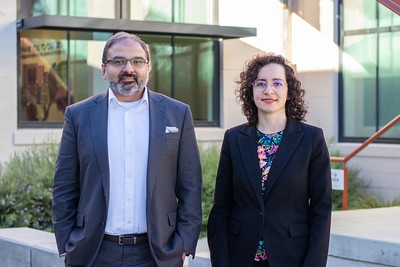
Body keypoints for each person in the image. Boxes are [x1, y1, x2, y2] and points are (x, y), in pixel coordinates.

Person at [52, 31, 202, 267]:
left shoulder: (177, 113)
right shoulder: (78, 115)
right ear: (104, 69)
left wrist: (183, 246)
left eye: (137, 61)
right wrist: (67, 245)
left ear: (148, 68)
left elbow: (191, 187)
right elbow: (64, 187)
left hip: (158, 254)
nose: (129, 69)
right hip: (93, 253)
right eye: (118, 61)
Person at [207, 53, 332, 267]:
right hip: (241, 257)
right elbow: (221, 209)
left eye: (277, 83)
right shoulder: (234, 138)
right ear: (251, 91)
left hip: (292, 257)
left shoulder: (312, 139)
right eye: (261, 84)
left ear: (289, 91)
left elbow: (321, 209)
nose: (269, 91)